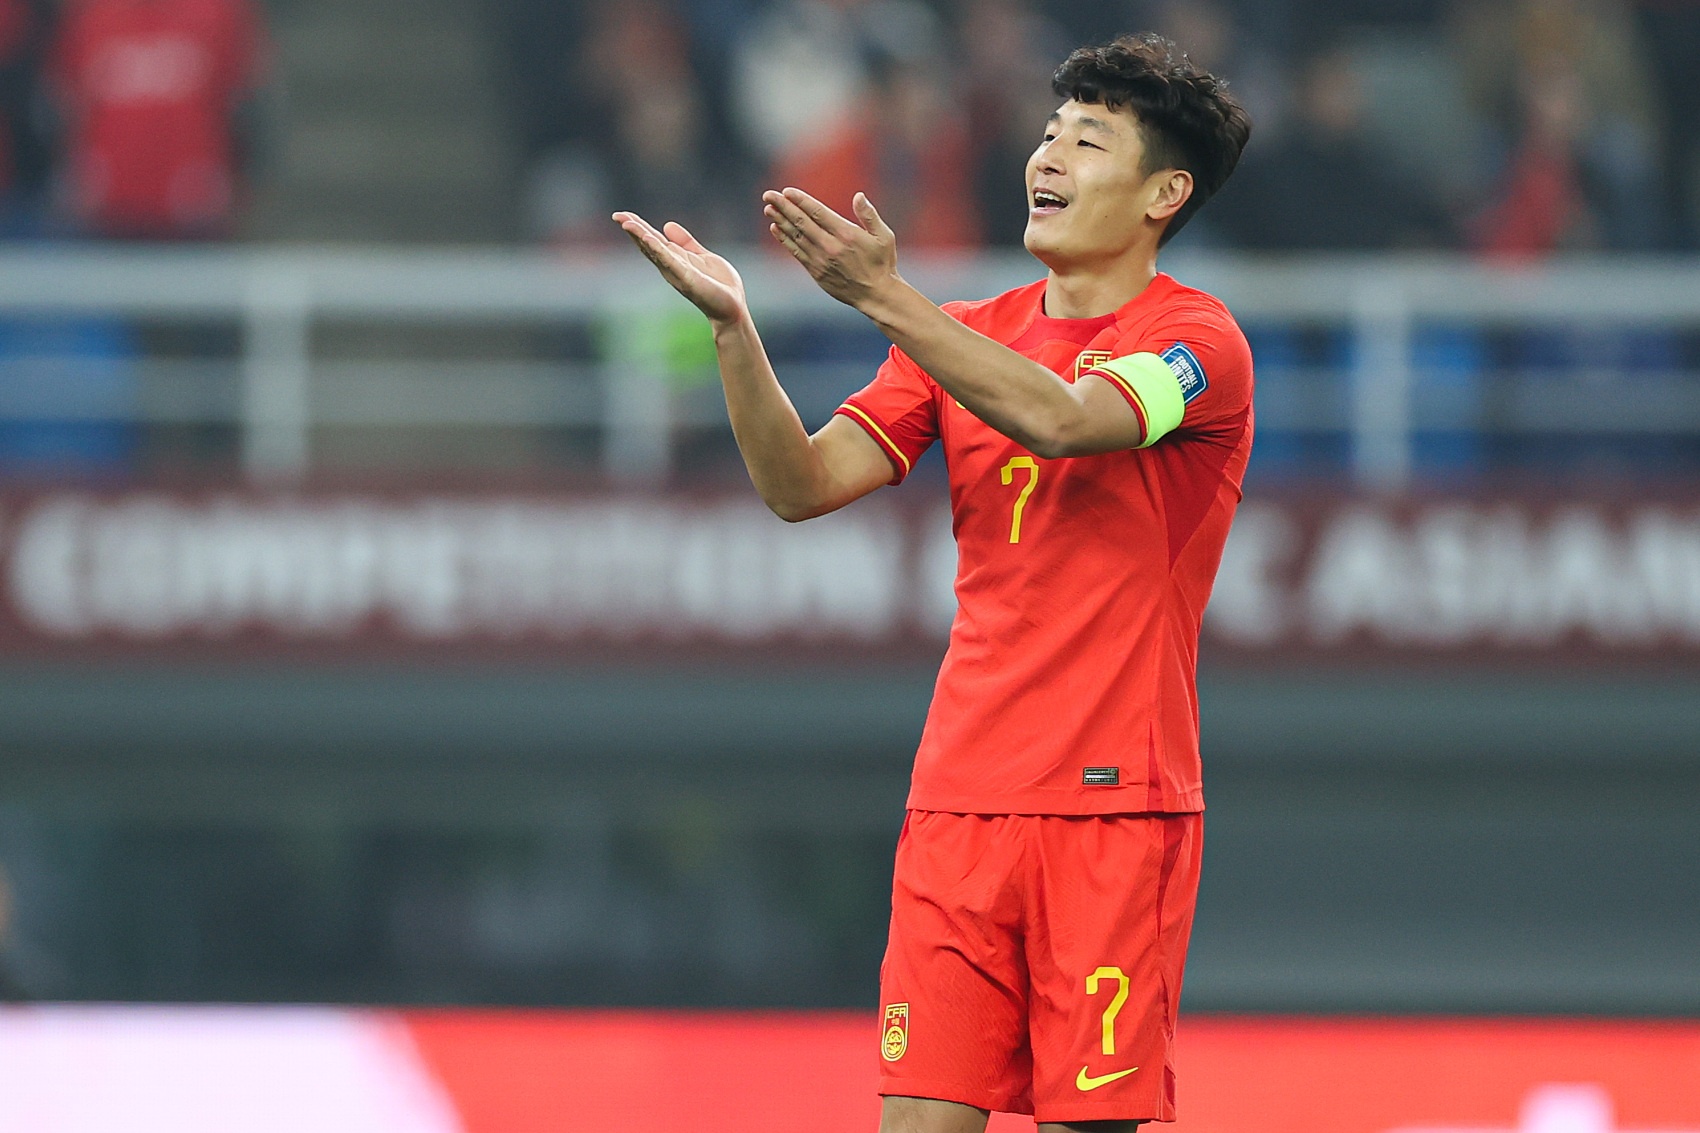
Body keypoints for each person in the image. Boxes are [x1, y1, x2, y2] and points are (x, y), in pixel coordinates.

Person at [616, 32, 1252, 1132]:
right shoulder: (960, 337)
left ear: (1165, 192)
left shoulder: (1198, 344)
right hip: (957, 799)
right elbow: (800, 484)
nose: (1047, 157)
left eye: (1088, 141)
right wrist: (734, 331)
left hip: (1110, 805)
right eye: (1049, 133)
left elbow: (1064, 420)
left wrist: (882, 296)